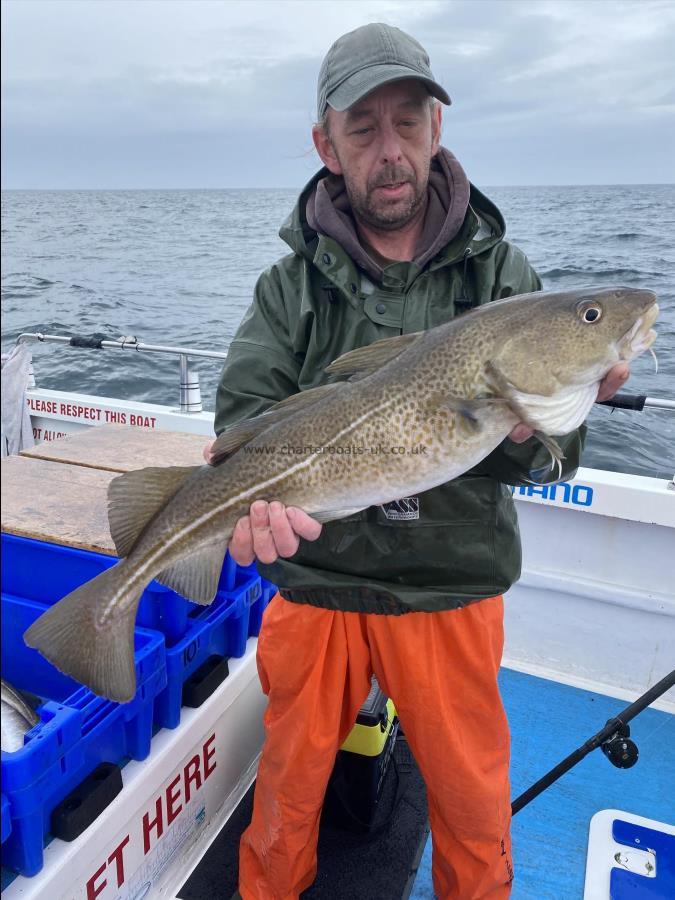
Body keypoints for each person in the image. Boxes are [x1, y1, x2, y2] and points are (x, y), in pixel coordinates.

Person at [206, 23, 629, 900]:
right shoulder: (290, 288)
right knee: (283, 801)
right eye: (363, 129)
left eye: (407, 122)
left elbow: (553, 458)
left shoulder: (501, 278)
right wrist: (251, 504)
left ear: (437, 130)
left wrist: (534, 430)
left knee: (474, 814)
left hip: (448, 586)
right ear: (326, 146)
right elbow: (245, 417)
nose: (389, 150)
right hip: (317, 580)